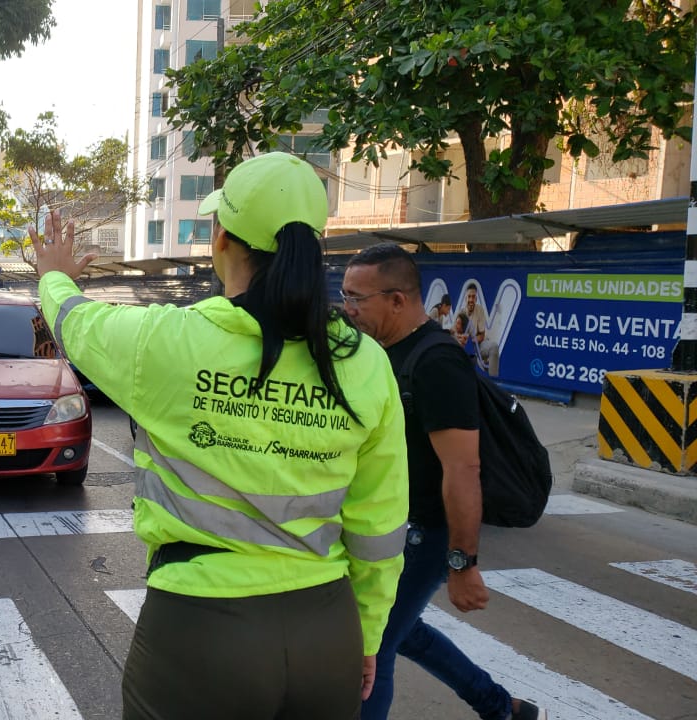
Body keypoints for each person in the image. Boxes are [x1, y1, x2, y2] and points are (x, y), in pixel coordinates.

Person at [34, 152, 409, 719]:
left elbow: (74, 321)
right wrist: (370, 632)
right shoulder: (365, 362)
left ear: (221, 238)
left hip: (200, 633)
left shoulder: (165, 343)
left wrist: (53, 274)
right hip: (326, 630)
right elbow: (379, 526)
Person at [342, 243, 545, 720]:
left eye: (358, 299)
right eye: (345, 297)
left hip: (424, 533)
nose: (348, 310)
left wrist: (461, 562)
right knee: (402, 629)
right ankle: (501, 708)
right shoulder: (381, 352)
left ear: (397, 300)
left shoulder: (436, 362)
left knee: (372, 650)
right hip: (390, 525)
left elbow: (463, 468)